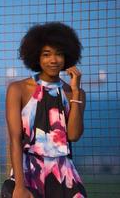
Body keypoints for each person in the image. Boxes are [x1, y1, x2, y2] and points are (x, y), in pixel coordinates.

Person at [5, 22, 87, 198]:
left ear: (67, 57)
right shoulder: (18, 89)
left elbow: (73, 135)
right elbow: (15, 139)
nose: (53, 60)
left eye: (59, 54)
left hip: (64, 173)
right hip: (29, 171)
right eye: (46, 54)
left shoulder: (74, 93)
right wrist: (19, 186)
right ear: (37, 57)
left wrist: (75, 92)